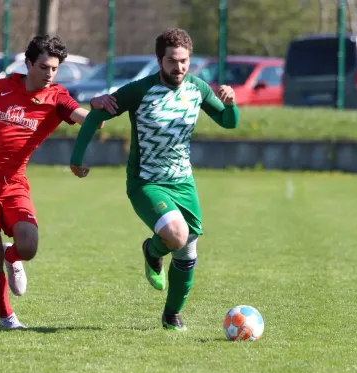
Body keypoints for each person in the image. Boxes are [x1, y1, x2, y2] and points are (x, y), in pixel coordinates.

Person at [69, 28, 238, 331]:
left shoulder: (198, 88)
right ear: (160, 61)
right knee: (176, 234)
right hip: (145, 182)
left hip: (183, 182)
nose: (179, 67)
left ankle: (171, 315)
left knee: (187, 251)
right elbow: (97, 114)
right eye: (172, 61)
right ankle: (152, 250)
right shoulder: (140, 90)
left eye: (184, 61)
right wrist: (76, 158)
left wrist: (230, 102)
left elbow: (228, 122)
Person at [0, 35, 113, 329]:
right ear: (28, 62)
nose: (49, 74)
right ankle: (7, 317)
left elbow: (91, 120)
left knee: (29, 247)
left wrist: (97, 108)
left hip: (14, 183)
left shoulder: (56, 97)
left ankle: (12, 254)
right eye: (44, 67)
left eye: (55, 69)